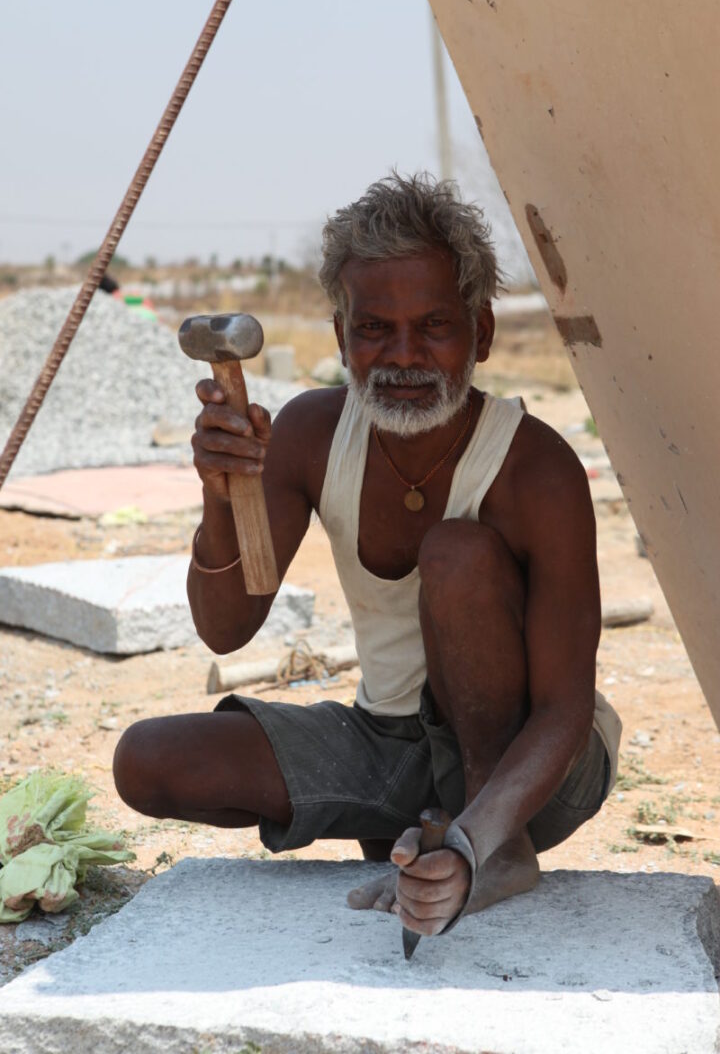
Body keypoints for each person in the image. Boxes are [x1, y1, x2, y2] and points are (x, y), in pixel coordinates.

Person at [113, 173, 621, 937]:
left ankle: (486, 844)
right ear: (341, 334)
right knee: (147, 761)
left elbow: (563, 711)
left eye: (435, 327)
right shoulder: (311, 433)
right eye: (374, 328)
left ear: (480, 334)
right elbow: (225, 628)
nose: (404, 355)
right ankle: (412, 829)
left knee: (454, 554)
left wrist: (479, 839)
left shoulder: (534, 469)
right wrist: (225, 496)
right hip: (385, 738)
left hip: (529, 765)